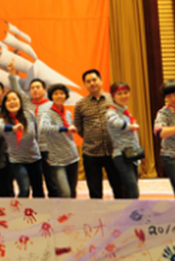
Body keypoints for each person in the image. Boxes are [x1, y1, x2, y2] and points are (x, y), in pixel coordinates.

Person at [6, 60, 53, 198]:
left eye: (38, 87)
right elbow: (17, 90)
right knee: (32, 184)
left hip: (47, 149)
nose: (35, 90)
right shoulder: (26, 103)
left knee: (51, 182)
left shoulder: (51, 106)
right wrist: (11, 73)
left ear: (44, 90)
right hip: (30, 151)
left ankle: (52, 208)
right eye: (32, 88)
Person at [74, 69, 121, 199]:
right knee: (95, 192)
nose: (92, 83)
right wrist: (92, 137)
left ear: (101, 80)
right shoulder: (80, 104)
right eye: (88, 81)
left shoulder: (113, 99)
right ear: (85, 84)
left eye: (94, 80)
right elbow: (79, 127)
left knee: (120, 188)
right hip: (91, 153)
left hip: (113, 151)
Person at [0, 91, 43, 198]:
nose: (12, 102)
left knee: (38, 191)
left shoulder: (29, 114)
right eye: (9, 100)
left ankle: (39, 209)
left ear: (20, 101)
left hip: (34, 158)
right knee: (24, 189)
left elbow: (37, 133)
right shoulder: (3, 120)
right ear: (5, 104)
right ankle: (20, 208)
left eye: (14, 99)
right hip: (17, 160)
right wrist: (12, 128)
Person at [39, 84, 79, 198]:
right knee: (65, 193)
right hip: (57, 160)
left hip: (72, 157)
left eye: (62, 93)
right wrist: (64, 129)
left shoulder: (68, 113)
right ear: (51, 96)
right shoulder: (48, 114)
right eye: (56, 94)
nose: (59, 96)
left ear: (66, 96)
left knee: (72, 193)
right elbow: (43, 128)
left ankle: (71, 210)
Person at [106, 82, 141, 199]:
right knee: (132, 189)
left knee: (132, 187)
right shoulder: (111, 112)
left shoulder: (125, 110)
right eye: (119, 94)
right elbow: (116, 123)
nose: (123, 96)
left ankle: (130, 209)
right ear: (113, 96)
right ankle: (132, 209)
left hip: (132, 152)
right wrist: (130, 126)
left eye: (125, 93)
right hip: (121, 154)